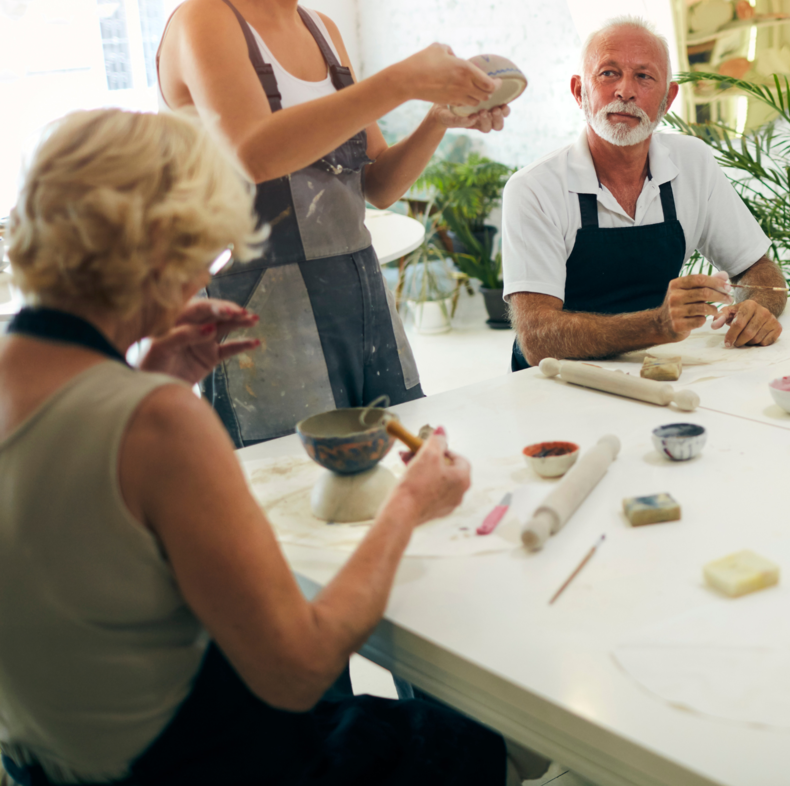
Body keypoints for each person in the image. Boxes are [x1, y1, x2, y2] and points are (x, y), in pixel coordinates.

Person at [0, 109, 505, 786]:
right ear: (159, 246)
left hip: (53, 763)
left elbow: (73, 522)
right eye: (202, 255)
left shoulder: (60, 390)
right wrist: (409, 504)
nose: (200, 279)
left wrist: (152, 375)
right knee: (490, 733)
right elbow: (298, 669)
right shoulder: (156, 425)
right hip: (200, 768)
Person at [156, 0, 511, 446]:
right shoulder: (205, 21)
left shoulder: (324, 32)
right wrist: (400, 82)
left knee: (387, 475)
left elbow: (378, 187)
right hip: (259, 314)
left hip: (361, 299)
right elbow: (253, 154)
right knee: (291, 500)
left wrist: (437, 116)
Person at [501, 16, 786, 370]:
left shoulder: (692, 162)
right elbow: (537, 339)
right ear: (579, 92)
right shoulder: (533, 189)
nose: (625, 91)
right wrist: (656, 325)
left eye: (643, 76)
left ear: (668, 99)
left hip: (654, 370)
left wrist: (754, 308)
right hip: (558, 383)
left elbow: (758, 270)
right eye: (608, 73)